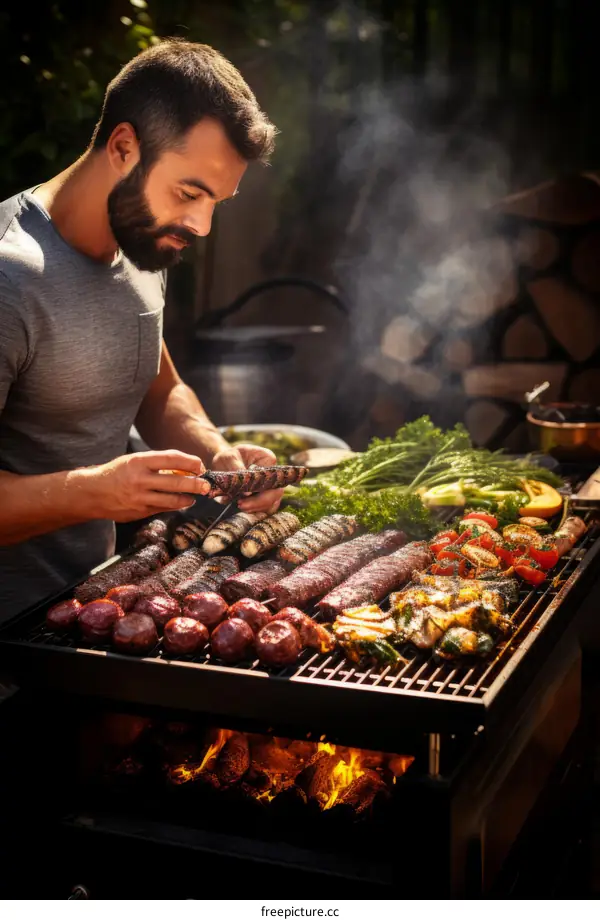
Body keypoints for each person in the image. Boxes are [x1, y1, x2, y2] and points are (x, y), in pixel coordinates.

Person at [0, 39, 281, 621]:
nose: (201, 225)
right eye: (189, 193)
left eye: (217, 203)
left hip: (87, 625)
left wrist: (218, 455)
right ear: (125, 147)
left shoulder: (140, 245)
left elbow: (159, 388)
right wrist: (98, 492)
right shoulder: (8, 275)